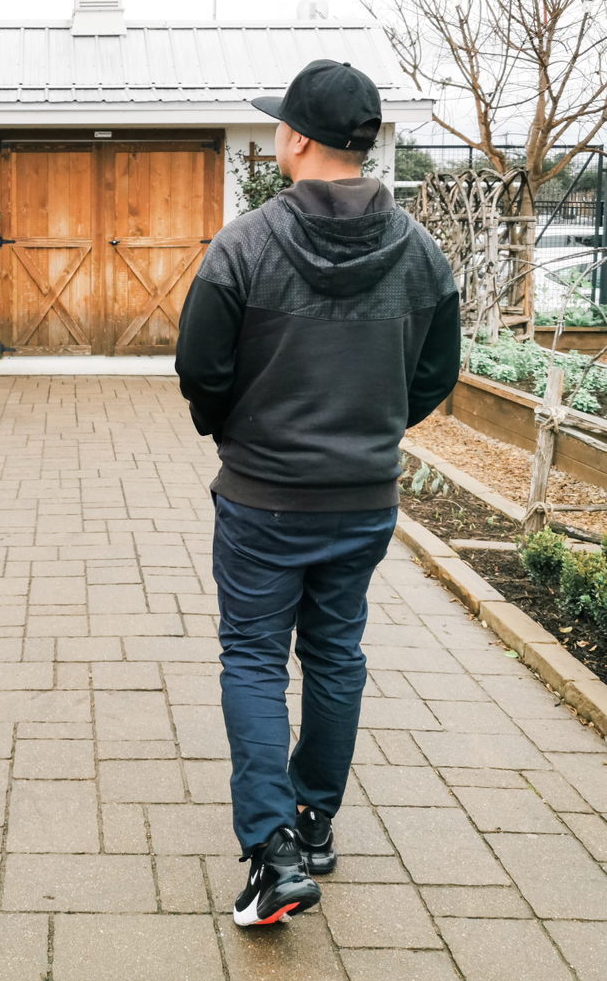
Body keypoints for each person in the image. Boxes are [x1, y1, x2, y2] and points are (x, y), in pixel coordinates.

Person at [175, 59, 460, 927]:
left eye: (278, 125)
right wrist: (370, 435)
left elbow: (200, 371)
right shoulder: (422, 253)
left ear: (297, 138)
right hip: (363, 500)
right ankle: (314, 819)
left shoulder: (245, 245)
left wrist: (237, 433)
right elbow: (435, 376)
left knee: (255, 661)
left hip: (263, 498)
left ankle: (272, 852)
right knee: (336, 656)